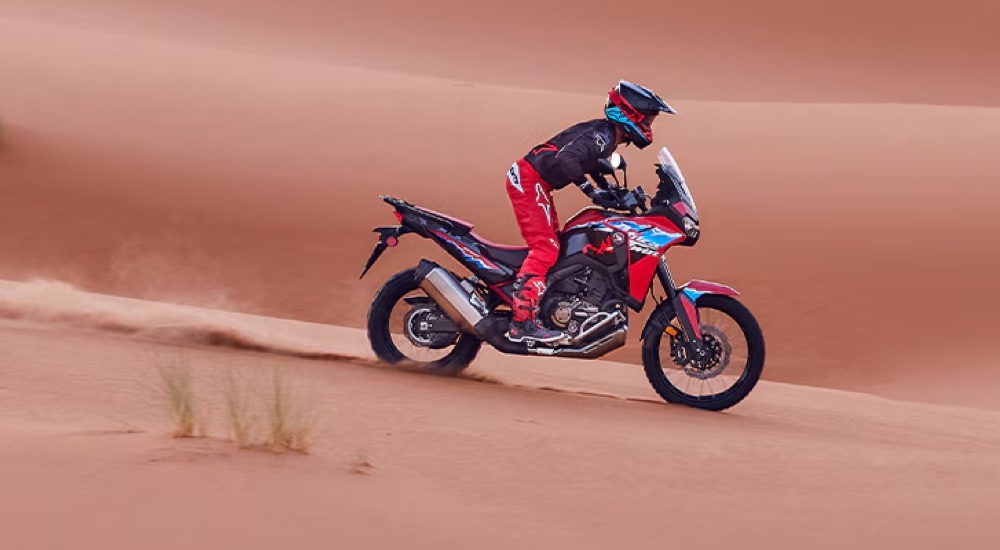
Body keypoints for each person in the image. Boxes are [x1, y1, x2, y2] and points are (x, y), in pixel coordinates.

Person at [504, 80, 675, 344]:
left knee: (559, 245)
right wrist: (590, 191)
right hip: (529, 179)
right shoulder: (602, 136)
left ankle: (549, 299)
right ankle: (521, 323)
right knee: (545, 247)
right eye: (648, 120)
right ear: (631, 114)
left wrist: (610, 192)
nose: (649, 127)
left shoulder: (606, 137)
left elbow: (590, 165)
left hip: (537, 182)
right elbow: (566, 159)